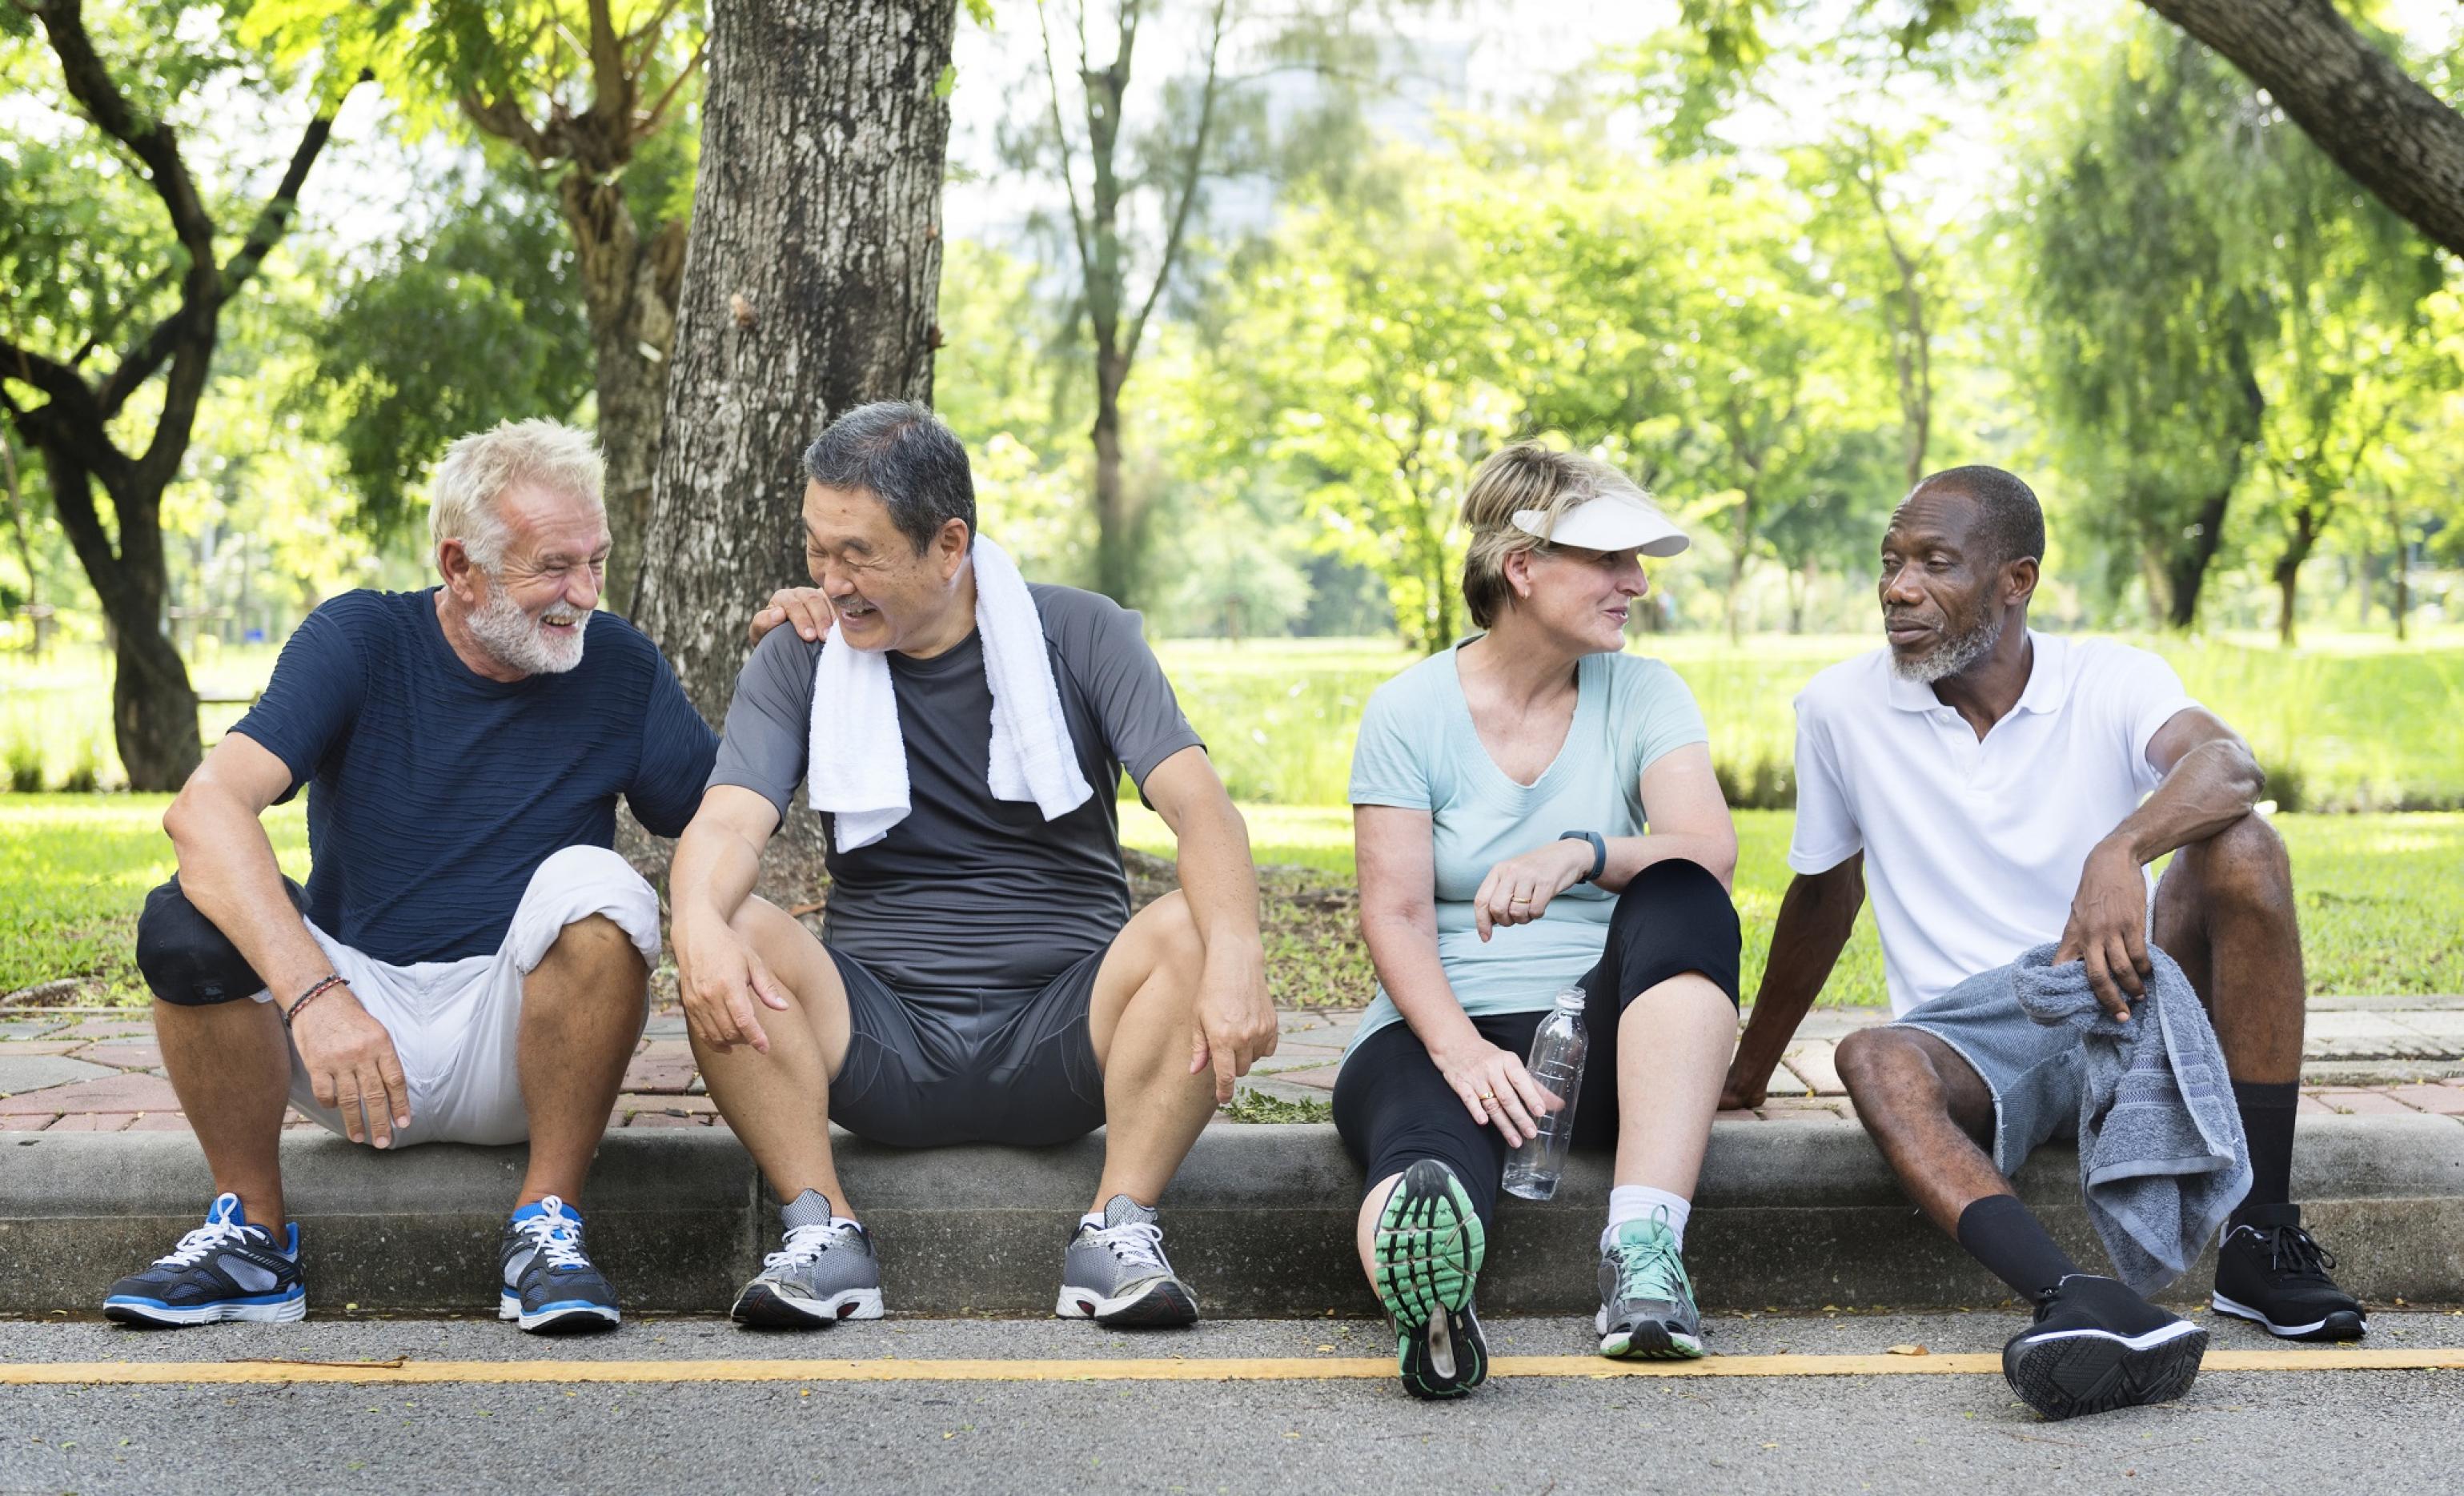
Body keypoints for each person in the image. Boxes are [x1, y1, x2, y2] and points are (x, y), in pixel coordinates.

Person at [1724, 465, 2367, 1421]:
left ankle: (2259, 1240)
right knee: (1869, 1054)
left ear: (2014, 580)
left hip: (2126, 989)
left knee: (2246, 848)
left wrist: (2123, 848)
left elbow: (2229, 763)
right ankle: (2079, 1302)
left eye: (1934, 563)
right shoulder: (1837, 709)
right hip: (1975, 1040)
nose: (1898, 588)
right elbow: (1823, 897)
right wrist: (1747, 1073)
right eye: (1891, 562)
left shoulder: (2109, 677)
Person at [667, 401, 1277, 1331]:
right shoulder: (804, 658)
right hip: (879, 1041)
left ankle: (1118, 1231)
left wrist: (1238, 951)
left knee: (1197, 927)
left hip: (1065, 1036)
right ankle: (822, 1233)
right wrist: (696, 927)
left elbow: (1200, 805)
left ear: (949, 544)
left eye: (857, 554)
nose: (829, 581)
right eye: (815, 550)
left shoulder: (1081, 635)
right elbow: (728, 827)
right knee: (730, 925)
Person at [110, 419, 718, 1334]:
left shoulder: (618, 666)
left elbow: (727, 817)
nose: (585, 594)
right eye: (555, 566)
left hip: (519, 1038)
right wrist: (316, 996)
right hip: (353, 1030)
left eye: (596, 561)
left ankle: (547, 1226)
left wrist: (805, 656)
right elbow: (205, 810)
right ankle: (253, 1243)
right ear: (461, 566)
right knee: (188, 916)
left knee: (602, 887)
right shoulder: (363, 637)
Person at [1334, 444, 1743, 1399]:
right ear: (1522, 568)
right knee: (1422, 1165)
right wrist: (1462, 1052)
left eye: (1637, 562)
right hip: (1440, 1028)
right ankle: (1430, 1309)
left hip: (1603, 1049)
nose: (1636, 584)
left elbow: (1709, 846)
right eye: (1609, 561)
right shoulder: (1409, 712)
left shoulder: (1644, 692)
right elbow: (1392, 911)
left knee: (1682, 888)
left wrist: (1582, 852)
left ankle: (1643, 1252)